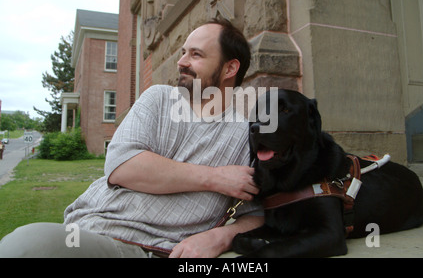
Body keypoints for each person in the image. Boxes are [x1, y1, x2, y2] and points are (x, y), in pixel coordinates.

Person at [0, 18, 264, 258]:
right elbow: (121, 166)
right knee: (27, 244)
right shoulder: (158, 98)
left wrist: (221, 236)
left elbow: (258, 214)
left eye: (196, 55)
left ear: (230, 68)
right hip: (91, 230)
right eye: (183, 52)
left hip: (149, 249)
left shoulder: (246, 136)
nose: (181, 61)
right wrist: (216, 178)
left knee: (27, 245)